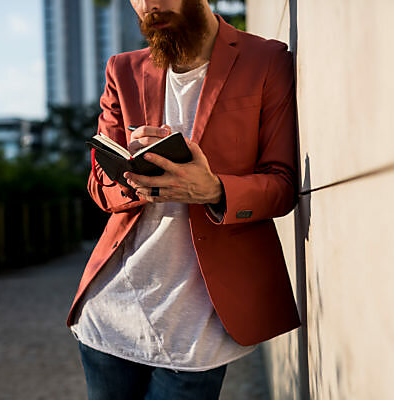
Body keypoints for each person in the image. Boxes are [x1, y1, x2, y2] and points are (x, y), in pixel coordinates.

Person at [66, 0, 300, 399]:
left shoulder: (266, 59)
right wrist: (130, 180)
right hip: (110, 316)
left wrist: (214, 190)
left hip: (198, 329)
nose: (148, 5)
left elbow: (282, 186)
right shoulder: (121, 70)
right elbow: (98, 186)